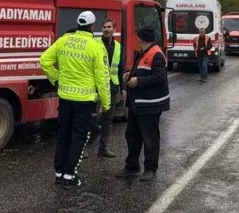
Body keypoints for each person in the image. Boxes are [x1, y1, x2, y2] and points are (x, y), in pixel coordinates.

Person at [40, 11, 111, 189]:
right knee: (79, 137)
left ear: (78, 24)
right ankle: (70, 175)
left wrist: (56, 79)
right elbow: (102, 77)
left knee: (63, 134)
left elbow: (44, 60)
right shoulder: (95, 46)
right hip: (85, 100)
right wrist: (106, 102)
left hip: (65, 98)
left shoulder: (64, 40)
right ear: (93, 26)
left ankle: (59, 173)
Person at [116, 27, 170, 182]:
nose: (136, 40)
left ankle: (150, 168)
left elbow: (159, 77)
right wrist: (131, 75)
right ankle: (132, 166)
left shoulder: (156, 54)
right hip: (137, 103)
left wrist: (138, 81)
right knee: (132, 135)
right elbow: (143, 70)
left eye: (137, 37)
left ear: (141, 38)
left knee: (150, 138)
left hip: (150, 104)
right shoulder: (144, 52)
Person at [95, 18, 124, 158]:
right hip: (95, 86)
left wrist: (122, 88)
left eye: (109, 27)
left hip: (112, 86)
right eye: (104, 27)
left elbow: (120, 68)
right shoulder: (95, 44)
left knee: (108, 120)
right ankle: (83, 147)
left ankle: (103, 148)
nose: (106, 29)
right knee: (91, 117)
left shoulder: (118, 46)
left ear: (114, 30)